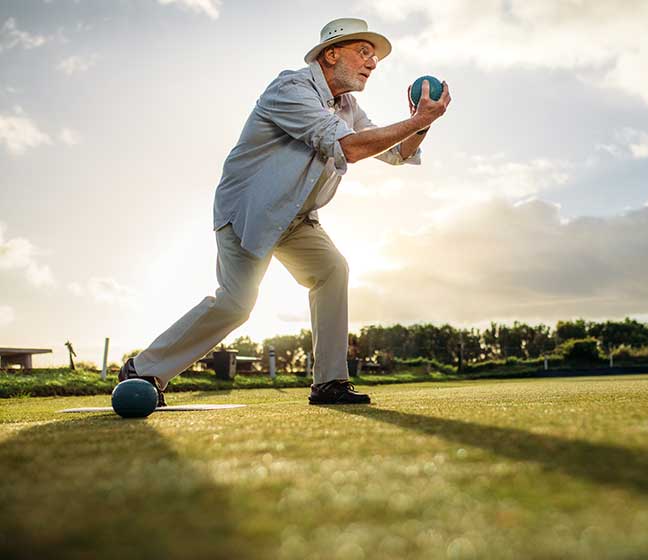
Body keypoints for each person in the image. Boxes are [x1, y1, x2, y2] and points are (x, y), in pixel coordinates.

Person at [119, 17, 451, 405]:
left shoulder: (347, 105)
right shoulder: (291, 88)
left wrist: (421, 126)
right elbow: (349, 148)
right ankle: (142, 369)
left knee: (332, 269)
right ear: (331, 54)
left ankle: (329, 382)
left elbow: (395, 153)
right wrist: (415, 120)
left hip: (297, 220)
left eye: (374, 57)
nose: (372, 63)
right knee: (235, 305)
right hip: (250, 212)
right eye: (363, 52)